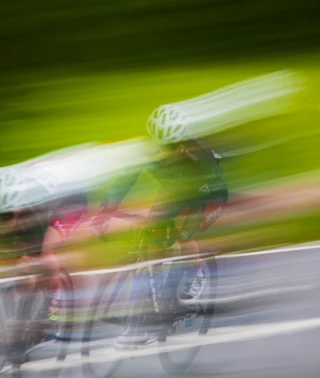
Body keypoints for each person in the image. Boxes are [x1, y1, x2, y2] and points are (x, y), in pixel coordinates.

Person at [94, 104, 228, 330]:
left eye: (173, 146)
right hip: (174, 188)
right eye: (162, 146)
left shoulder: (198, 155)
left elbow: (199, 202)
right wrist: (104, 211)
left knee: (182, 239)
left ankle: (193, 277)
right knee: (152, 234)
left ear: (183, 141)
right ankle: (151, 300)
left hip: (208, 192)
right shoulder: (149, 154)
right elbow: (125, 181)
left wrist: (180, 232)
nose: (167, 151)